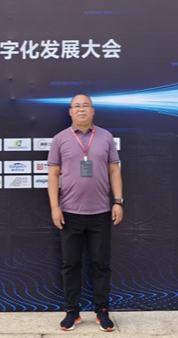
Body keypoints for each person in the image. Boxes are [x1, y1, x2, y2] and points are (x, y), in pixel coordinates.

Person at [47, 93, 123, 332]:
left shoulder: (106, 137)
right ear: (70, 112)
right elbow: (53, 175)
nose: (81, 109)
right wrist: (55, 207)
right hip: (69, 213)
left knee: (101, 264)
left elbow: (114, 170)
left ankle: (102, 310)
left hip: (101, 213)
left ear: (93, 110)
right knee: (71, 264)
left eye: (86, 105)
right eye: (76, 106)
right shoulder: (60, 139)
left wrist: (118, 201)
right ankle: (72, 311)